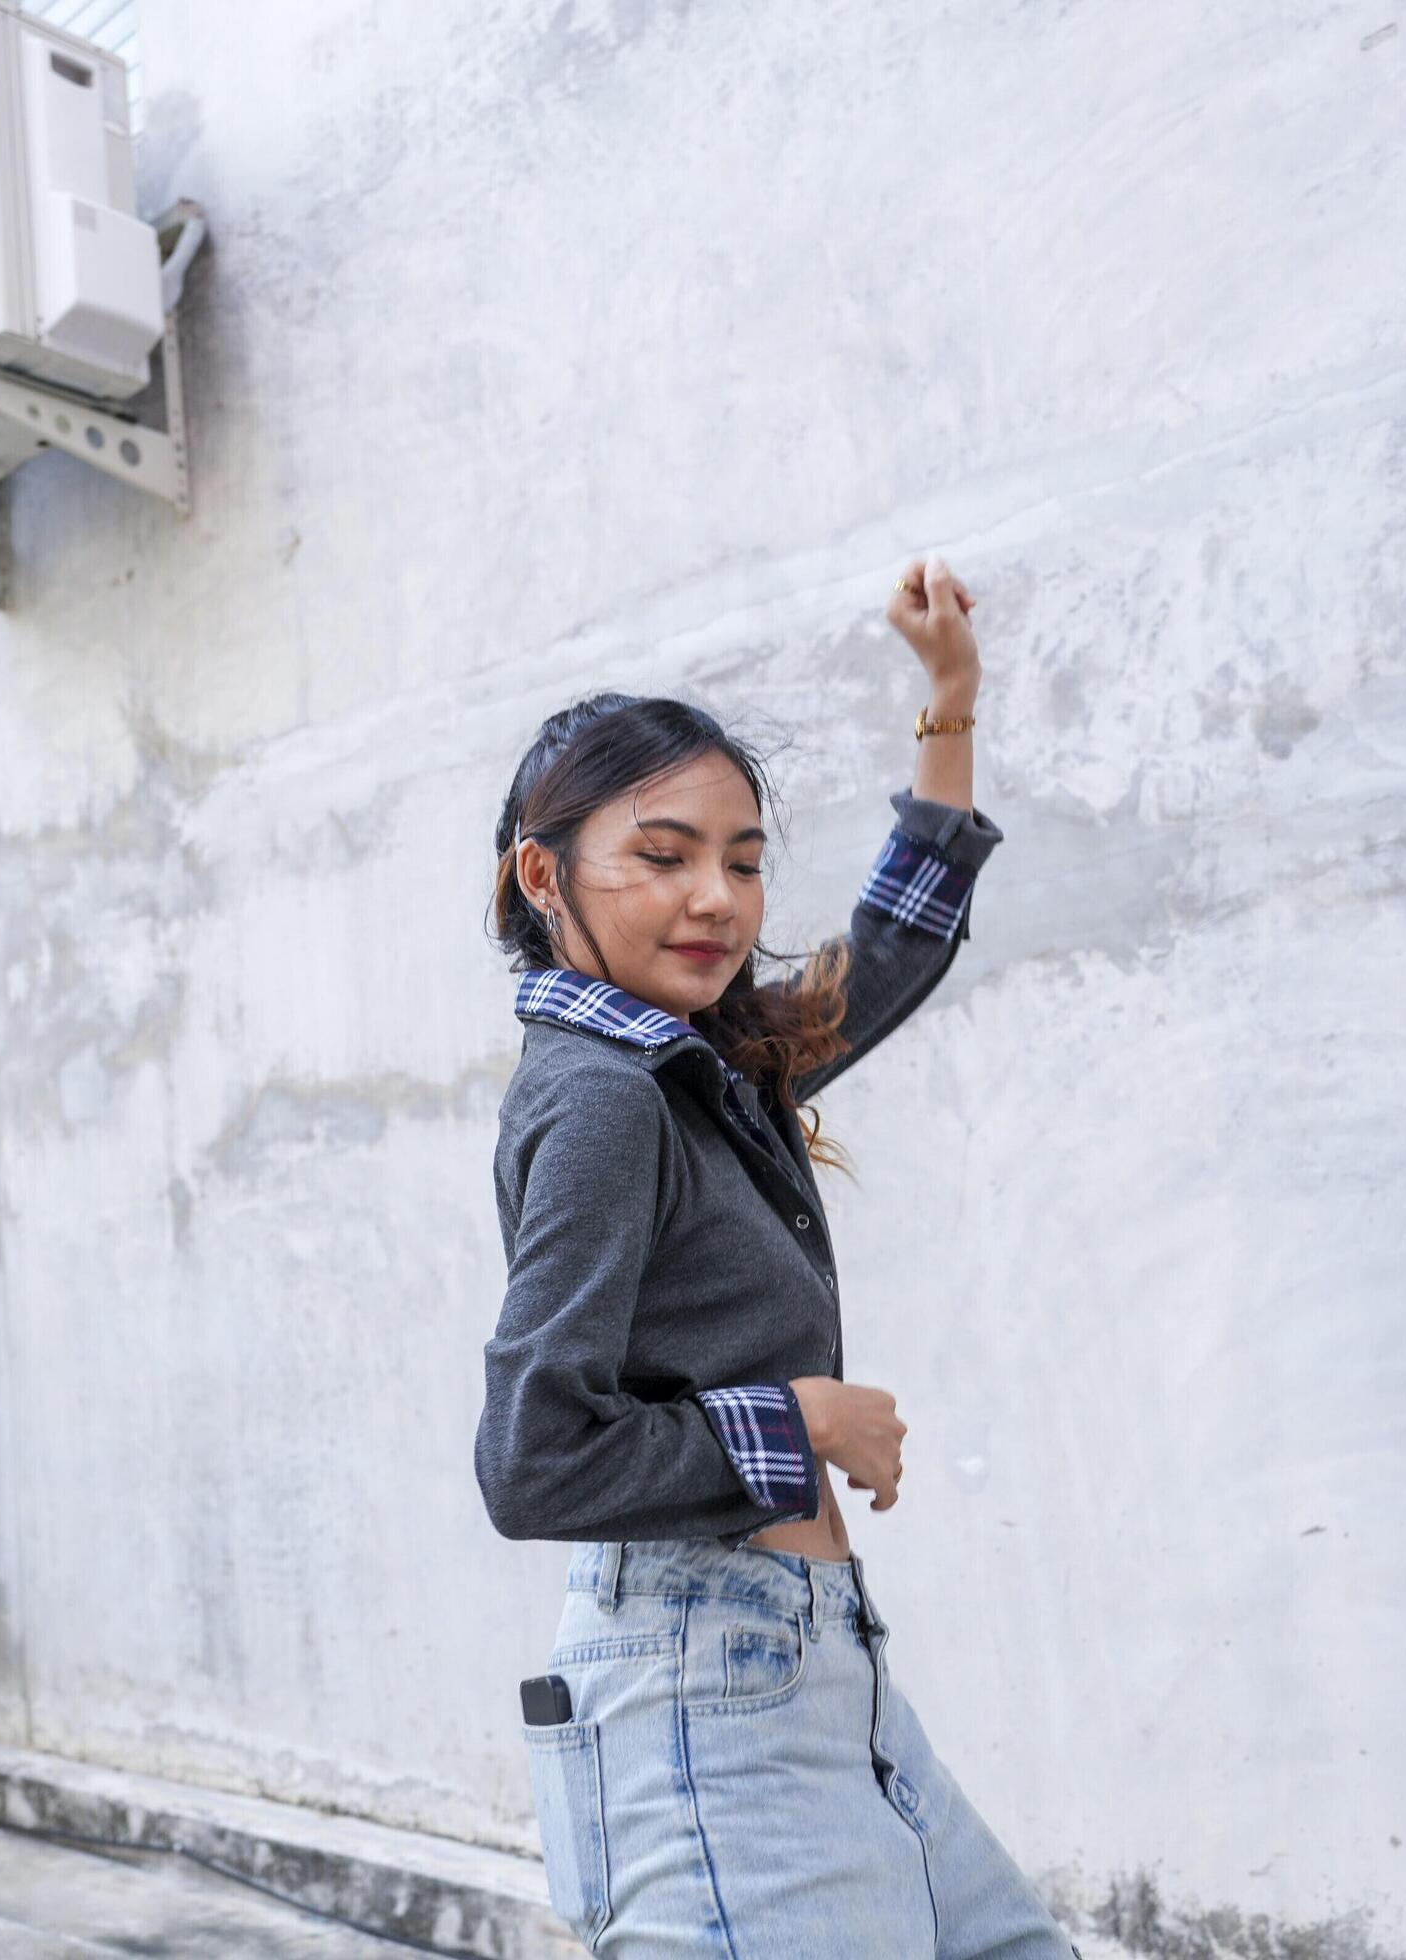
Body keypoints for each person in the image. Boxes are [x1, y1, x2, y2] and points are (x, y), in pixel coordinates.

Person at [475, 558, 1078, 1957]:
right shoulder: (604, 1098)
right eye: (664, 855)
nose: (717, 900)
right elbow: (534, 1459)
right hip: (705, 1681)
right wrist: (797, 1419)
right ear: (543, 875)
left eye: (743, 862)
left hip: (809, 1656)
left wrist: (951, 703)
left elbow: (880, 961)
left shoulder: (704, 1068)